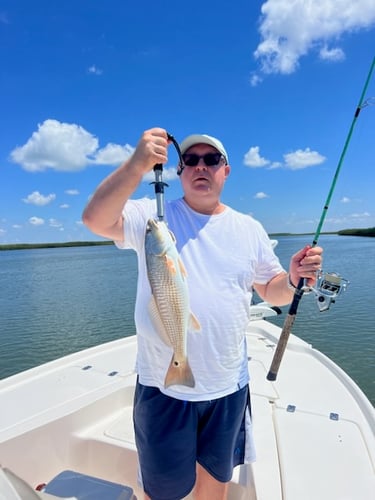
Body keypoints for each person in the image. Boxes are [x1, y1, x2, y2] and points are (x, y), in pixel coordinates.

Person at [82, 127, 323, 500]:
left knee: (215, 485)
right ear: (178, 171)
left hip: (227, 385)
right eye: (190, 160)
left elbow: (270, 288)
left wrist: (292, 280)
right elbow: (95, 220)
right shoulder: (153, 218)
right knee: (160, 493)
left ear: (226, 171)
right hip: (163, 386)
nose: (201, 166)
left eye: (212, 160)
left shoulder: (249, 229)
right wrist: (136, 164)